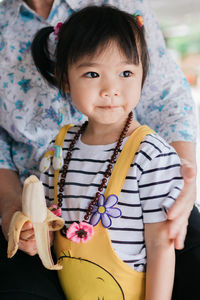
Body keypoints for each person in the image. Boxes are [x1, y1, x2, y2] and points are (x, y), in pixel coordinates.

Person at [0, 0, 197, 299]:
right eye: (92, 74)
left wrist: (185, 176)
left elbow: (160, 246)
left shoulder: (153, 156)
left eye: (126, 74)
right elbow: (51, 214)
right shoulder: (59, 148)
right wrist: (27, 225)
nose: (110, 89)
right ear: (65, 80)